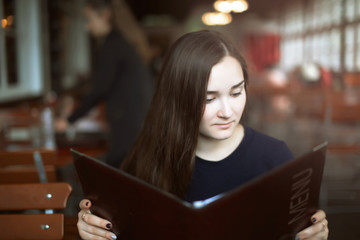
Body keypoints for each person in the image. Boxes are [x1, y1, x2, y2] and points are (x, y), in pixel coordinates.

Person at [76, 30, 329, 240]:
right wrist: (95, 232)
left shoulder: (274, 157)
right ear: (179, 99)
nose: (227, 112)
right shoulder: (148, 159)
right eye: (209, 98)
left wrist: (312, 235)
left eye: (236, 92)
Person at [55, 0, 153, 167]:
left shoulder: (112, 46)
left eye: (90, 19)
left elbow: (100, 89)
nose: (87, 26)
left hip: (129, 121)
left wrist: (68, 120)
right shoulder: (119, 43)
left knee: (119, 169)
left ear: (104, 16)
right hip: (134, 118)